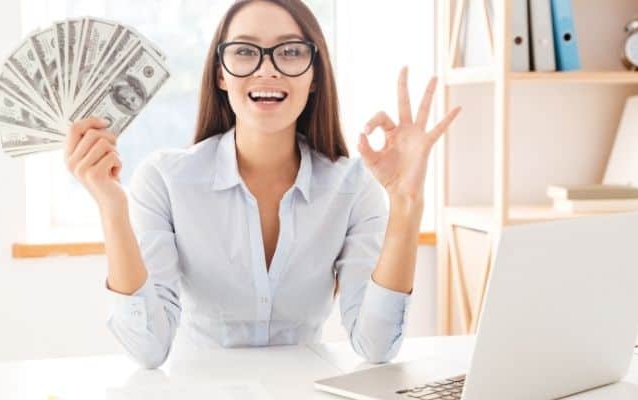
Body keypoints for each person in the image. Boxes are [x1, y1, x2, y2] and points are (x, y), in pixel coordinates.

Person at [64, 0, 461, 369]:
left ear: (314, 76)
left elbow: (375, 346)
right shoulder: (165, 181)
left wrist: (406, 204)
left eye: (290, 52)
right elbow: (148, 348)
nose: (266, 69)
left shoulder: (353, 186)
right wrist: (111, 207)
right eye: (244, 51)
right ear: (220, 73)